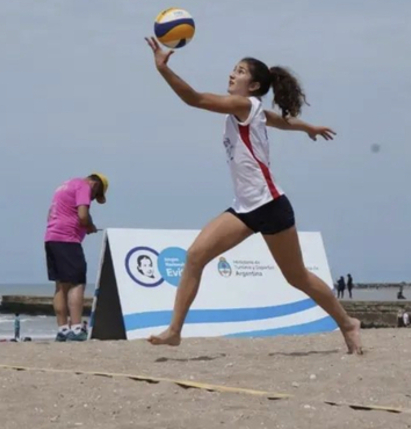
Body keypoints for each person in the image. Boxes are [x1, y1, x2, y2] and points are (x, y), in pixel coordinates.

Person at [143, 37, 363, 354]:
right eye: (233, 69)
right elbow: (282, 121)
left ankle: (347, 323)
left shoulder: (244, 105)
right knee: (194, 257)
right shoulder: (253, 110)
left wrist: (163, 69)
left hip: (271, 205)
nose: (232, 74)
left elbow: (193, 98)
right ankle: (175, 330)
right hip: (244, 208)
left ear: (255, 85)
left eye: (240, 71)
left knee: (297, 276)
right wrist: (308, 128)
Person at [44, 173, 108, 342]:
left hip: (51, 237)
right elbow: (82, 215)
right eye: (95, 196)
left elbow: (50, 213)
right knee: (77, 283)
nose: (92, 199)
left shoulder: (64, 185)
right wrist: (89, 226)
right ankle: (77, 327)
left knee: (60, 285)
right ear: (95, 185)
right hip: (68, 240)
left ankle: (62, 329)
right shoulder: (83, 186)